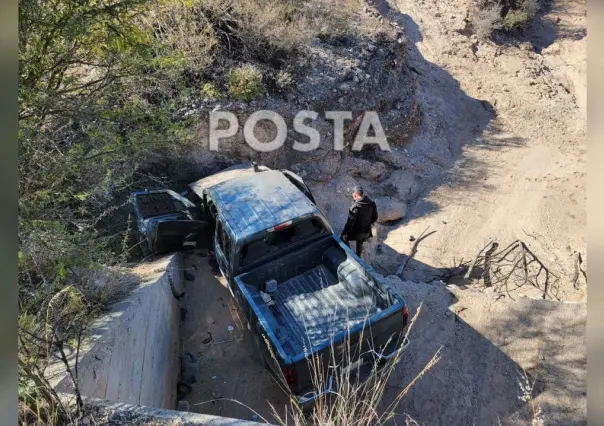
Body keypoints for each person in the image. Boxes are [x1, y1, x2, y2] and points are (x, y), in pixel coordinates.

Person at [340, 185, 378, 256]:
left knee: (342, 238)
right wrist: (367, 223)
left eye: (353, 195)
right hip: (367, 233)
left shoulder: (355, 207)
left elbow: (349, 224)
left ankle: (348, 255)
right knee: (360, 241)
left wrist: (344, 233)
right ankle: (358, 255)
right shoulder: (371, 203)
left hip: (357, 234)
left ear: (354, 195)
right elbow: (375, 217)